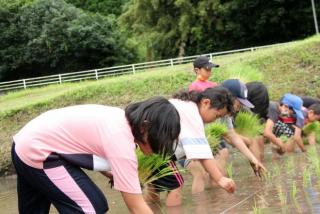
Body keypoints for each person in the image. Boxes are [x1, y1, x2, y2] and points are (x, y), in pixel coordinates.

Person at [11, 97, 181, 214]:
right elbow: (136, 208)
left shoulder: (118, 118)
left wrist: (110, 173)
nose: (160, 147)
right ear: (145, 127)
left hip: (24, 143)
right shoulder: (121, 141)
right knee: (91, 207)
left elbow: (83, 146)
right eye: (161, 138)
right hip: (39, 152)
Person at [144, 86, 236, 206]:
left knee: (154, 189)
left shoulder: (184, 104)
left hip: (146, 146)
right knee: (176, 185)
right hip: (153, 148)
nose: (215, 120)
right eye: (217, 115)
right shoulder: (192, 113)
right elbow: (202, 154)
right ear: (206, 103)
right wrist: (220, 179)